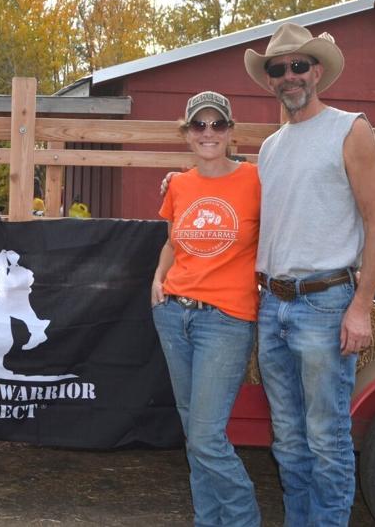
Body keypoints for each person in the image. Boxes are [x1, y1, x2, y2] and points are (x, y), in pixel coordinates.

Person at [244, 22, 375, 526]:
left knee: (327, 436)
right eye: (278, 69)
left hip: (326, 304)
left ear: (318, 71)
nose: (288, 76)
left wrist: (360, 305)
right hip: (273, 303)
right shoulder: (269, 148)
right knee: (287, 437)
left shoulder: (351, 129)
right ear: (270, 80)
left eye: (298, 66)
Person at [151, 91, 261, 526]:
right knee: (190, 428)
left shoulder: (256, 179)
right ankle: (208, 519)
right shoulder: (179, 184)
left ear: (231, 132)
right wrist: (156, 279)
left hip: (226, 321)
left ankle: (243, 518)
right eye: (199, 125)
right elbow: (170, 242)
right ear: (187, 133)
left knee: (205, 435)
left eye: (218, 125)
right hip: (174, 314)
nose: (208, 133)